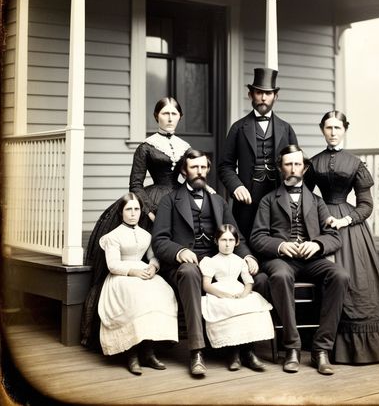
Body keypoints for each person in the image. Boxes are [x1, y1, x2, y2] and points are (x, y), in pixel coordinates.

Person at [81, 97, 191, 349]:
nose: (170, 118)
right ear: (156, 117)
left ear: (179, 117)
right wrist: (151, 212)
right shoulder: (146, 147)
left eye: (174, 113)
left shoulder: (185, 146)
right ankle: (136, 331)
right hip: (151, 202)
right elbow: (135, 185)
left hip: (178, 200)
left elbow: (189, 176)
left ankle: (170, 328)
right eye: (165, 113)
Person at [152, 149, 267, 376]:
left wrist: (247, 256)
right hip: (187, 264)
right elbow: (159, 241)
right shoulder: (170, 201)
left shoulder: (218, 201)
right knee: (190, 273)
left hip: (219, 260)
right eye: (194, 167)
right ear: (184, 171)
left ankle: (246, 347)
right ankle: (197, 351)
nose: (199, 172)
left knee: (258, 278)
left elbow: (237, 236)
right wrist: (180, 251)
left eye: (203, 167)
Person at [304, 110, 379, 364]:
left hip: (350, 227)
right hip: (323, 224)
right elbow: (305, 197)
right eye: (328, 128)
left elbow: (366, 205)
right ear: (322, 130)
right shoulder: (313, 163)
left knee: (359, 283)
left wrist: (345, 220)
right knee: (329, 278)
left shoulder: (355, 163)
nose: (333, 133)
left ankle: (363, 349)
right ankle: (323, 346)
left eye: (337, 128)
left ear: (345, 129)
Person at [251, 145, 349, 375]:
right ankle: (292, 347)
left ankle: (321, 349)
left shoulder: (316, 201)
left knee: (340, 275)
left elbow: (334, 236)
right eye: (288, 164)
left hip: (312, 259)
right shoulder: (268, 200)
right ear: (280, 167)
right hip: (281, 260)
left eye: (297, 164)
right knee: (281, 275)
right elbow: (257, 238)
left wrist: (316, 244)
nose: (293, 168)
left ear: (304, 168)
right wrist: (281, 246)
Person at [96, 192, 178, 375]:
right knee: (135, 298)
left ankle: (148, 351)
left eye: (136, 209)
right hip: (122, 276)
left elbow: (153, 257)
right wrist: (134, 272)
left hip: (143, 272)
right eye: (128, 209)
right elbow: (113, 265)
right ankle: (132, 354)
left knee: (163, 291)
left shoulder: (145, 235)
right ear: (121, 213)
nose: (133, 213)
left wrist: (153, 267)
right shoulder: (113, 236)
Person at [218, 67, 298, 239]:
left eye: (268, 93)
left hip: (278, 196)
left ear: (275, 96)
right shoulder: (238, 128)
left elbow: (297, 165)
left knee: (277, 241)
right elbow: (225, 166)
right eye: (259, 92)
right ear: (250, 95)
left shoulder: (286, 129)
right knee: (247, 242)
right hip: (247, 199)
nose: (263, 98)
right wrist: (236, 186)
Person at [200, 224, 273, 371]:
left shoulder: (240, 261)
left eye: (231, 240)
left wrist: (244, 295)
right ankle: (233, 354)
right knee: (227, 307)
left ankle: (250, 353)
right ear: (216, 241)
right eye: (223, 240)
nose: (227, 244)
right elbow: (206, 285)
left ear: (237, 242)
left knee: (249, 305)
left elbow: (248, 283)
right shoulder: (211, 261)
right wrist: (224, 295)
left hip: (238, 290)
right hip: (219, 291)